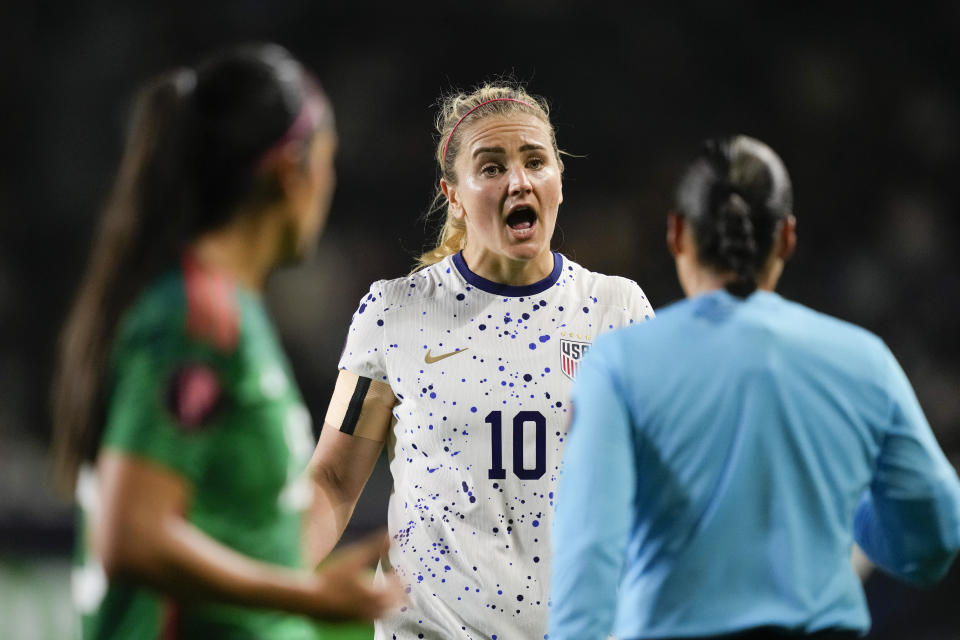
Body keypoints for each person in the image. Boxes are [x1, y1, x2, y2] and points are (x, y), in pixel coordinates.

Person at [50, 43, 403, 640]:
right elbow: (131, 533)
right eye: (327, 160)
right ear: (292, 171)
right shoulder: (196, 317)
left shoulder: (226, 308)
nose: (331, 183)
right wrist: (307, 595)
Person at [548, 135, 960, 640]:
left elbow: (589, 547)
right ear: (786, 237)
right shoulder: (863, 360)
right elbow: (935, 534)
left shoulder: (618, 362)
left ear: (677, 234)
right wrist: (852, 515)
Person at [305, 84, 656, 639]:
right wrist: (262, 584)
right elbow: (332, 479)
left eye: (535, 161)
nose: (518, 181)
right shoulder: (394, 312)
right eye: (491, 167)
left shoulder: (617, 310)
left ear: (559, 178)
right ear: (455, 195)